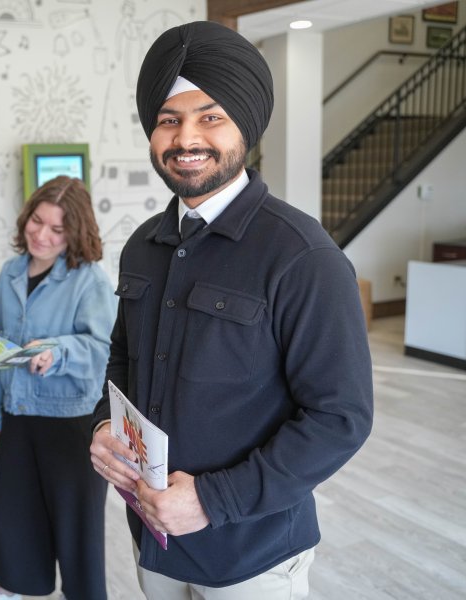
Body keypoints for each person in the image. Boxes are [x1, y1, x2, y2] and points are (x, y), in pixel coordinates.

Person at [89, 21, 374, 600]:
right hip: (155, 538)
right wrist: (103, 425)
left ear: (246, 124)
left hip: (253, 554)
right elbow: (123, 358)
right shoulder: (143, 245)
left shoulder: (303, 256)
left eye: (210, 117)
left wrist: (212, 500)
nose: (186, 137)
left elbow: (340, 417)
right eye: (169, 119)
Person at [0, 176, 117, 600]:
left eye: (57, 229)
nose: (41, 235)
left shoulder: (90, 280)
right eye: (37, 221)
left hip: (72, 422)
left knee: (78, 532)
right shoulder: (10, 273)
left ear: (75, 233)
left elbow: (104, 349)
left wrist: (57, 351)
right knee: (15, 519)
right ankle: (12, 591)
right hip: (19, 416)